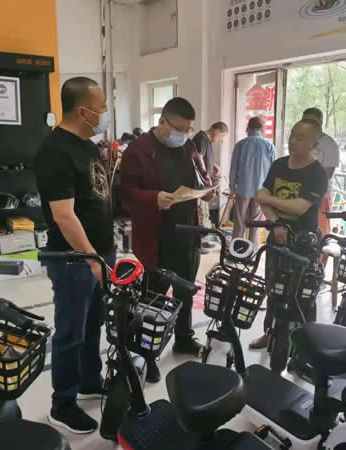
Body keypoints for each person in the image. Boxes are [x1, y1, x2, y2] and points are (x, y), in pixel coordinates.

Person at [35, 77, 115, 434]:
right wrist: (92, 259)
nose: (105, 113)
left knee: (94, 321)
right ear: (83, 112)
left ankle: (88, 380)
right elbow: (64, 216)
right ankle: (62, 404)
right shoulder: (55, 151)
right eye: (101, 107)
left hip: (99, 253)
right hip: (73, 259)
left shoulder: (88, 146)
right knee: (70, 331)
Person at [118, 97, 209, 383]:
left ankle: (184, 338)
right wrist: (153, 198)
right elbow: (124, 193)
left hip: (187, 233)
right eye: (179, 129)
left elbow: (199, 177)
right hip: (156, 236)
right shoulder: (138, 150)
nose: (183, 134)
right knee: (153, 298)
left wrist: (207, 189)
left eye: (188, 129)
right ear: (162, 122)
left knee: (184, 291)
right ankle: (147, 352)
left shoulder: (188, 147)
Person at [249, 119, 328, 349]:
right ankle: (270, 332)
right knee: (273, 286)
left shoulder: (317, 173)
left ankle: (304, 343)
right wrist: (276, 223)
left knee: (303, 292)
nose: (293, 140)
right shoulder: (279, 165)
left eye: (300, 137)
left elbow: (299, 208)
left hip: (304, 240)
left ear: (314, 144)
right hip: (277, 235)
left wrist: (269, 199)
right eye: (292, 134)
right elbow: (260, 196)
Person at [229, 117, 276, 246]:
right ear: (262, 129)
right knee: (255, 225)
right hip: (261, 192)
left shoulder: (240, 145)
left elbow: (233, 169)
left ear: (248, 128)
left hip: (243, 189)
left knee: (239, 223)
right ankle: (252, 252)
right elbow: (273, 171)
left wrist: (232, 188)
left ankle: (236, 250)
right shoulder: (269, 146)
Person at [302, 107, 339, 237]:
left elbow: (328, 174)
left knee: (319, 234)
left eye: (312, 121)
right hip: (300, 195)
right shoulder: (301, 141)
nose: (308, 125)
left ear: (321, 123)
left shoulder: (330, 144)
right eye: (305, 121)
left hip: (320, 196)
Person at [192, 122, 229, 252]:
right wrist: (206, 178)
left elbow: (204, 159)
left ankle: (202, 239)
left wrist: (213, 166)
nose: (220, 140)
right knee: (200, 213)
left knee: (204, 213)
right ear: (216, 131)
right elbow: (198, 158)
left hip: (204, 184)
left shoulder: (206, 140)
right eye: (221, 137)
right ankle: (198, 243)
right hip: (200, 184)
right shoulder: (201, 138)